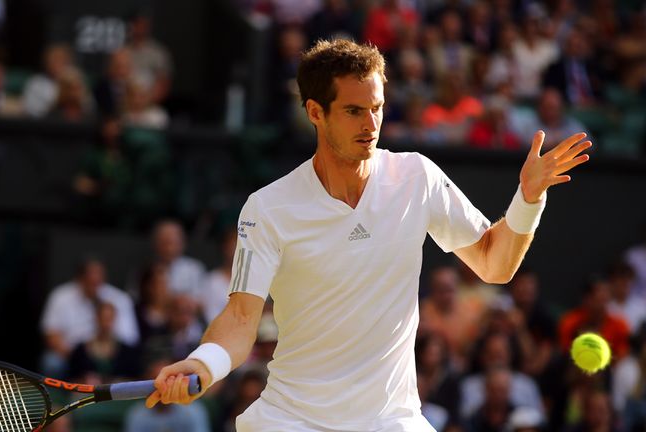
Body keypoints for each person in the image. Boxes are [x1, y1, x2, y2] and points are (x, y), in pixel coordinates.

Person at [144, 39, 591, 431]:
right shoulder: (268, 208)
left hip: (392, 420)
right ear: (315, 113)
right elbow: (241, 318)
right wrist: (205, 363)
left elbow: (495, 264)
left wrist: (528, 198)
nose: (370, 124)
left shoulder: (417, 177)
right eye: (354, 111)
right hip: (293, 420)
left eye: (376, 108)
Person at [40, 256, 138, 376]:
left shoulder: (120, 299)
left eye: (98, 276)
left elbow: (130, 339)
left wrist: (103, 354)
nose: (94, 280)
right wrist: (80, 355)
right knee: (52, 362)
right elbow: (51, 334)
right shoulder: (60, 296)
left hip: (112, 356)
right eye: (90, 277)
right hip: (73, 355)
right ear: (79, 278)